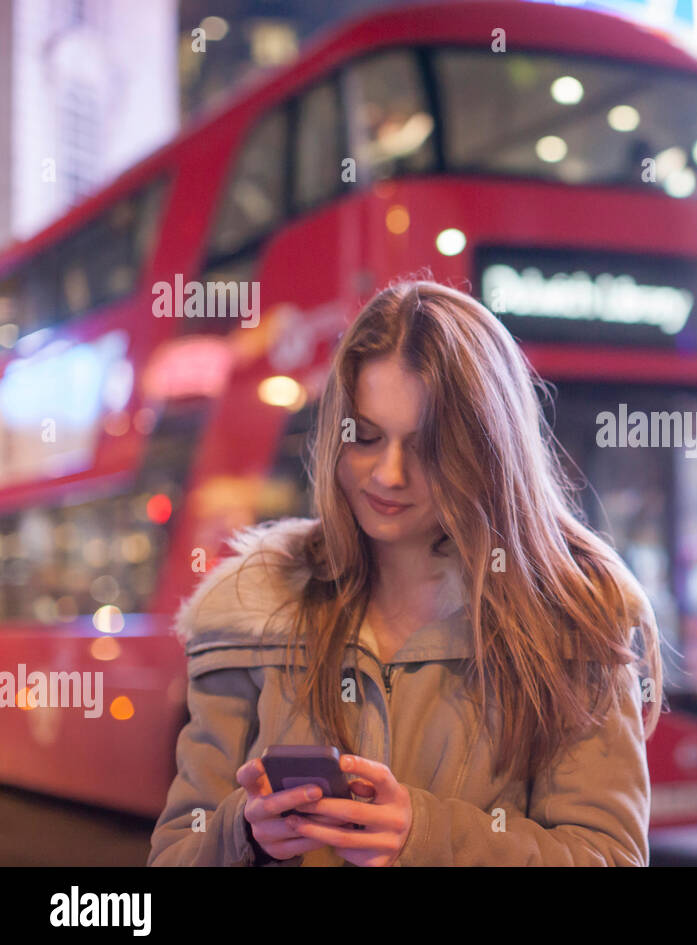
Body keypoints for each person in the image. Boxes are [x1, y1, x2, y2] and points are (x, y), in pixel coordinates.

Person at [148, 279, 663, 866]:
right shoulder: (249, 610)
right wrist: (242, 834)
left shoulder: (573, 616)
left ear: (487, 450)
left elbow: (608, 857)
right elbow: (174, 854)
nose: (389, 475)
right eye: (365, 438)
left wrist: (427, 836)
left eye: (426, 448)